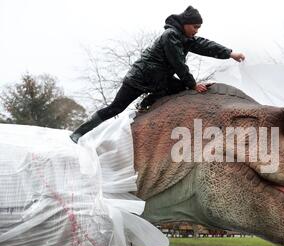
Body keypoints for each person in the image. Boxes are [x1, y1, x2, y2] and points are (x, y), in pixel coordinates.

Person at [70, 6, 245, 143]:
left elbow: (205, 45)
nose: (196, 31)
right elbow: (178, 63)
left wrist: (230, 53)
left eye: (199, 28)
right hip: (140, 77)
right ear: (185, 23)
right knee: (116, 108)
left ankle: (148, 101)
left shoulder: (185, 38)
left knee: (179, 87)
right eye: (195, 26)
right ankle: (79, 133)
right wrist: (193, 84)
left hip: (158, 79)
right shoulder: (170, 36)